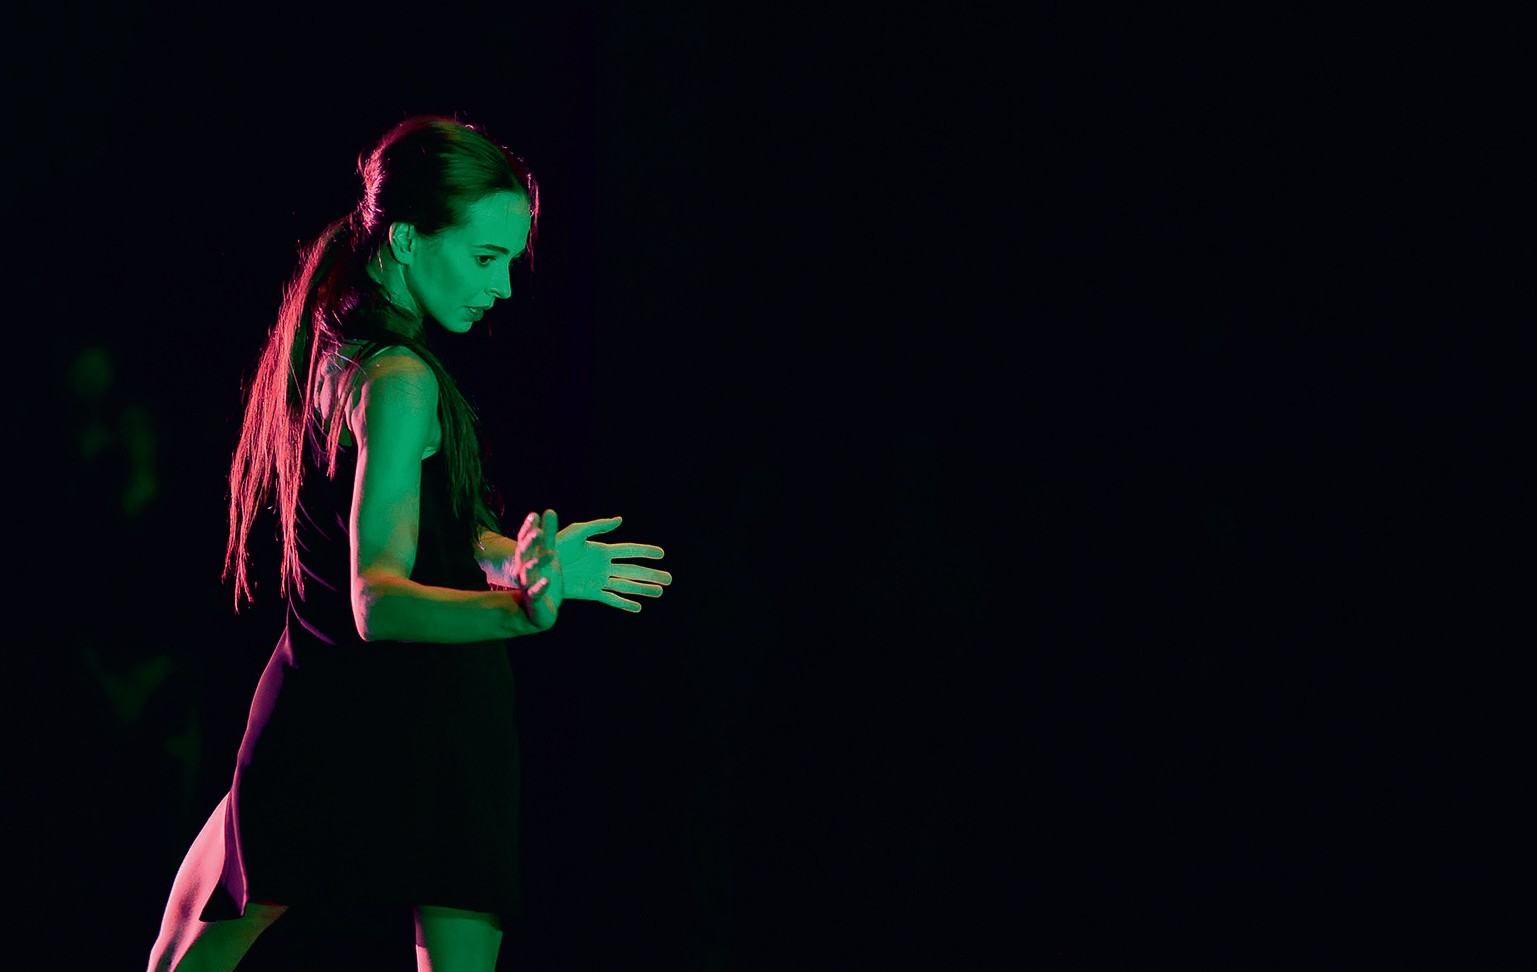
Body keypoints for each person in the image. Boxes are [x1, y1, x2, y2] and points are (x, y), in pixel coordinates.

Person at [146, 114, 673, 972]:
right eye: (485, 258)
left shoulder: (339, 348)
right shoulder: (397, 377)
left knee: (183, 950)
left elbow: (428, 525)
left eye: (509, 262)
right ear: (404, 239)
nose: (502, 289)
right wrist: (521, 611)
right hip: (402, 702)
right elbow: (377, 601)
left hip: (332, 697)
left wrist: (511, 559)